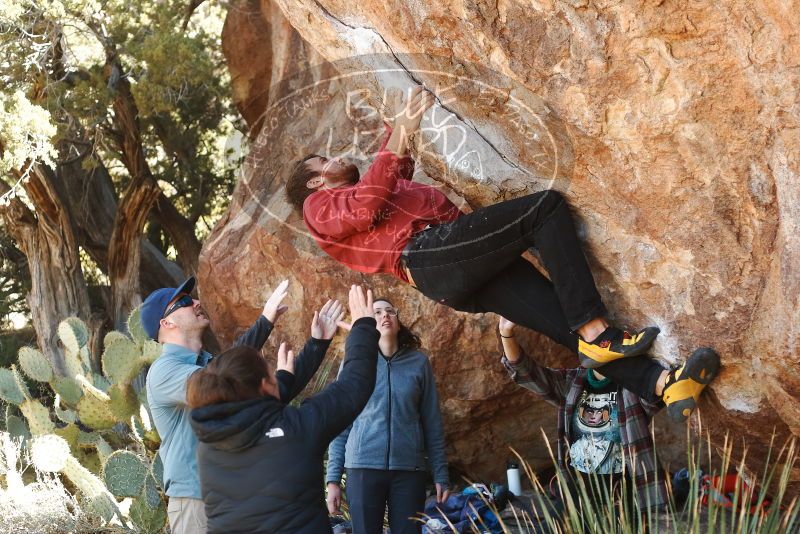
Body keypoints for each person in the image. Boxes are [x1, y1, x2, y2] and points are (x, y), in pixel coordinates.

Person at [284, 85, 702, 421]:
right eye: (324, 161)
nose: (337, 156)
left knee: (559, 321)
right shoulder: (316, 209)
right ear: (315, 184)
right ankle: (598, 332)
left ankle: (664, 384)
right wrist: (400, 129)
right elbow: (367, 203)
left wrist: (404, 130)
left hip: (451, 268)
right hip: (430, 254)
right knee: (545, 209)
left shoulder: (362, 194)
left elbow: (391, 179)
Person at [143, 277, 338, 534]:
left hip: (236, 498)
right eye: (185, 301)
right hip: (196, 502)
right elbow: (216, 379)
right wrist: (265, 321)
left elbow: (272, 397)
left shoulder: (210, 363)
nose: (197, 302)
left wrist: (317, 343)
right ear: (166, 323)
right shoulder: (164, 372)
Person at [187, 285, 379, 534]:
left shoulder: (210, 446)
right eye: (273, 374)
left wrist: (315, 347)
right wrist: (364, 326)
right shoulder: (297, 429)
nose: (277, 376)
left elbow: (259, 418)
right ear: (265, 386)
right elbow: (353, 386)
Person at [496, 315, 720, 518]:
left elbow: (656, 396)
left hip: (624, 489)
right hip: (578, 487)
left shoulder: (634, 387)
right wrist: (506, 333)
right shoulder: (572, 383)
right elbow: (526, 373)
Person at [326, 298, 449, 534]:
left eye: (390, 311)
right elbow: (339, 423)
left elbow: (432, 422)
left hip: (408, 471)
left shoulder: (419, 363)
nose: (385, 316)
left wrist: (441, 474)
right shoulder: (355, 363)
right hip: (362, 467)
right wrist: (333, 479)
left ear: (398, 322)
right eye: (377, 312)